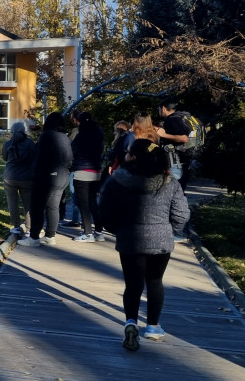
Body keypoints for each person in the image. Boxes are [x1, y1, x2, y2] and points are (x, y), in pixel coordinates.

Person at [99, 139, 190, 351]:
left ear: (134, 157)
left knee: (132, 284)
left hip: (130, 239)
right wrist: (170, 228)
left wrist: (117, 229)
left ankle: (131, 322)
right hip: (160, 241)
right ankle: (153, 326)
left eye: (129, 153)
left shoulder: (118, 181)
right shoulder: (170, 183)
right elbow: (181, 214)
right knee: (155, 281)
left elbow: (105, 211)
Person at [18, 111, 72, 247]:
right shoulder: (65, 138)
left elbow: (39, 157)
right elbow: (70, 157)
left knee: (37, 207)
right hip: (62, 176)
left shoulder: (46, 136)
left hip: (47, 177)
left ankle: (34, 238)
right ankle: (50, 236)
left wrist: (34, 175)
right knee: (53, 207)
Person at [70, 111, 105, 242]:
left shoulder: (81, 136)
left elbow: (72, 151)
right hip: (96, 172)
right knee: (93, 202)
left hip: (82, 171)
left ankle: (87, 233)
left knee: (83, 204)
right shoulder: (99, 134)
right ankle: (99, 232)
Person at [2, 121, 35, 236]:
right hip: (26, 178)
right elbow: (34, 157)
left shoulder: (7, 144)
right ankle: (30, 228)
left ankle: (16, 226)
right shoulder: (30, 143)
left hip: (9, 177)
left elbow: (5, 158)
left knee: (12, 202)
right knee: (28, 203)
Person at [156, 100, 192, 190]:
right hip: (182, 160)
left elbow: (184, 138)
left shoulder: (173, 119)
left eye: (159, 109)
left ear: (163, 108)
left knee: (175, 190)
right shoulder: (179, 118)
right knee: (178, 190)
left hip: (176, 162)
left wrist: (164, 135)